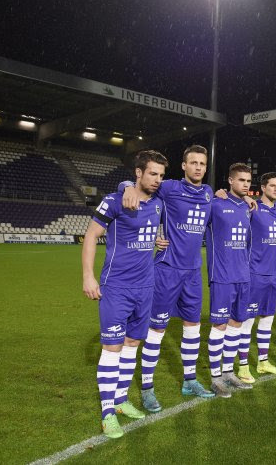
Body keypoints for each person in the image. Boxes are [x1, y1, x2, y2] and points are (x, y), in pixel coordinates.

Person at [118, 145, 254, 411]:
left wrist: (244, 200)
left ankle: (189, 380)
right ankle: (147, 388)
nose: (198, 168)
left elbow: (227, 205)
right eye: (193, 163)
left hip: (193, 272)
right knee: (156, 330)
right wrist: (127, 187)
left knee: (192, 328)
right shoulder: (168, 188)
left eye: (202, 164)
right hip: (167, 269)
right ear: (184, 166)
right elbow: (139, 183)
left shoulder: (207, 193)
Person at [82, 150, 167, 438]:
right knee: (112, 348)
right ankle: (107, 413)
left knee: (132, 344)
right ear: (138, 173)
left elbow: (144, 230)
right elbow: (91, 235)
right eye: (152, 173)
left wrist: (155, 240)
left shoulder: (158, 204)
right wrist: (88, 276)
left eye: (161, 175)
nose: (157, 180)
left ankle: (120, 401)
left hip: (146, 287)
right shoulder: (115, 199)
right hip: (116, 287)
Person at [205, 163, 256, 397]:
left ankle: (228, 372)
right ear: (230, 181)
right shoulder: (216, 204)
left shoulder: (248, 207)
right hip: (222, 276)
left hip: (243, 276)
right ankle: (215, 377)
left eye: (248, 181)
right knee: (220, 325)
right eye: (241, 180)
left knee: (236, 324)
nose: (245, 184)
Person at [249, 173, 276, 375]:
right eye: (272, 185)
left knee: (267, 318)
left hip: (273, 273)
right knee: (247, 321)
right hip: (255, 272)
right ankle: (242, 366)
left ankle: (262, 362)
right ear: (263, 188)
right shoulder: (253, 208)